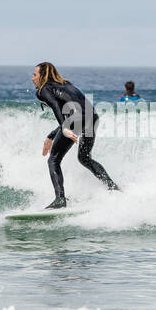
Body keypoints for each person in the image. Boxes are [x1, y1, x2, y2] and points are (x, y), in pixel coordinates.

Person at [32, 62, 119, 208]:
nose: (32, 78)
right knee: (84, 158)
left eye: (35, 75)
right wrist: (53, 134)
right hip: (92, 117)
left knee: (53, 159)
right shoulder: (67, 84)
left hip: (77, 119)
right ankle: (113, 188)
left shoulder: (43, 89)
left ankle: (60, 200)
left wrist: (65, 128)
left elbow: (56, 106)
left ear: (43, 76)